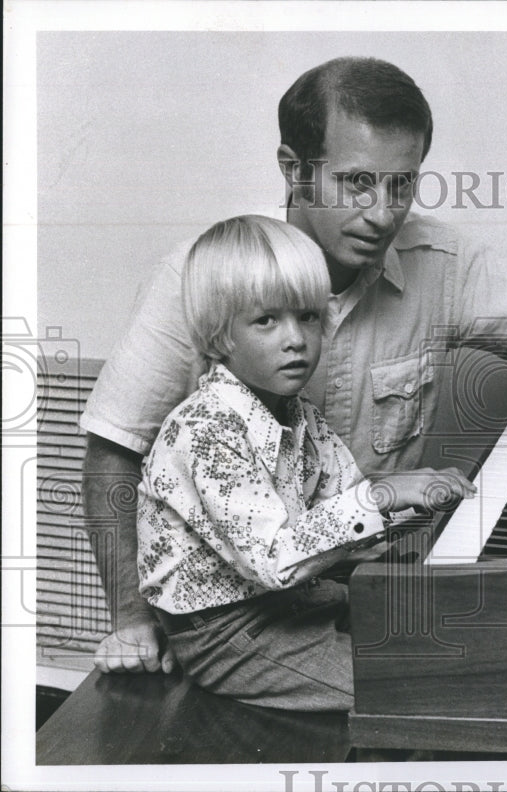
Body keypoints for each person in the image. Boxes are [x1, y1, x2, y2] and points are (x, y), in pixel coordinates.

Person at [81, 55, 507, 674]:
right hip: (239, 606)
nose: (382, 213)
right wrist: (131, 622)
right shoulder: (195, 279)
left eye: (401, 184)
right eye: (357, 182)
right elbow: (114, 450)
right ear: (294, 170)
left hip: (357, 575)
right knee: (430, 680)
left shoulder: (440, 261)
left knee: (498, 656)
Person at [137, 214, 474, 709]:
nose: (295, 339)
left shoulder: (299, 413)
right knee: (403, 689)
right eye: (267, 320)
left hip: (286, 599)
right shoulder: (206, 430)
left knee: (436, 635)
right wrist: (384, 495)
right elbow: (276, 559)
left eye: (309, 316)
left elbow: (347, 503)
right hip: (225, 633)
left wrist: (425, 502)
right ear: (219, 335)